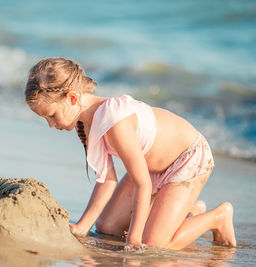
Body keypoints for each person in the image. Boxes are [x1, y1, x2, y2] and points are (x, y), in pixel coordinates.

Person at [24, 57, 236, 251]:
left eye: (51, 116)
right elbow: (107, 180)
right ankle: (188, 210)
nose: (51, 125)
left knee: (154, 245)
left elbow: (142, 183)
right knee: (107, 226)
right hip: (151, 168)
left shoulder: (115, 120)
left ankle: (218, 217)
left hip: (186, 160)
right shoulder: (86, 122)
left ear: (71, 98)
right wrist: (82, 226)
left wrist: (134, 239)